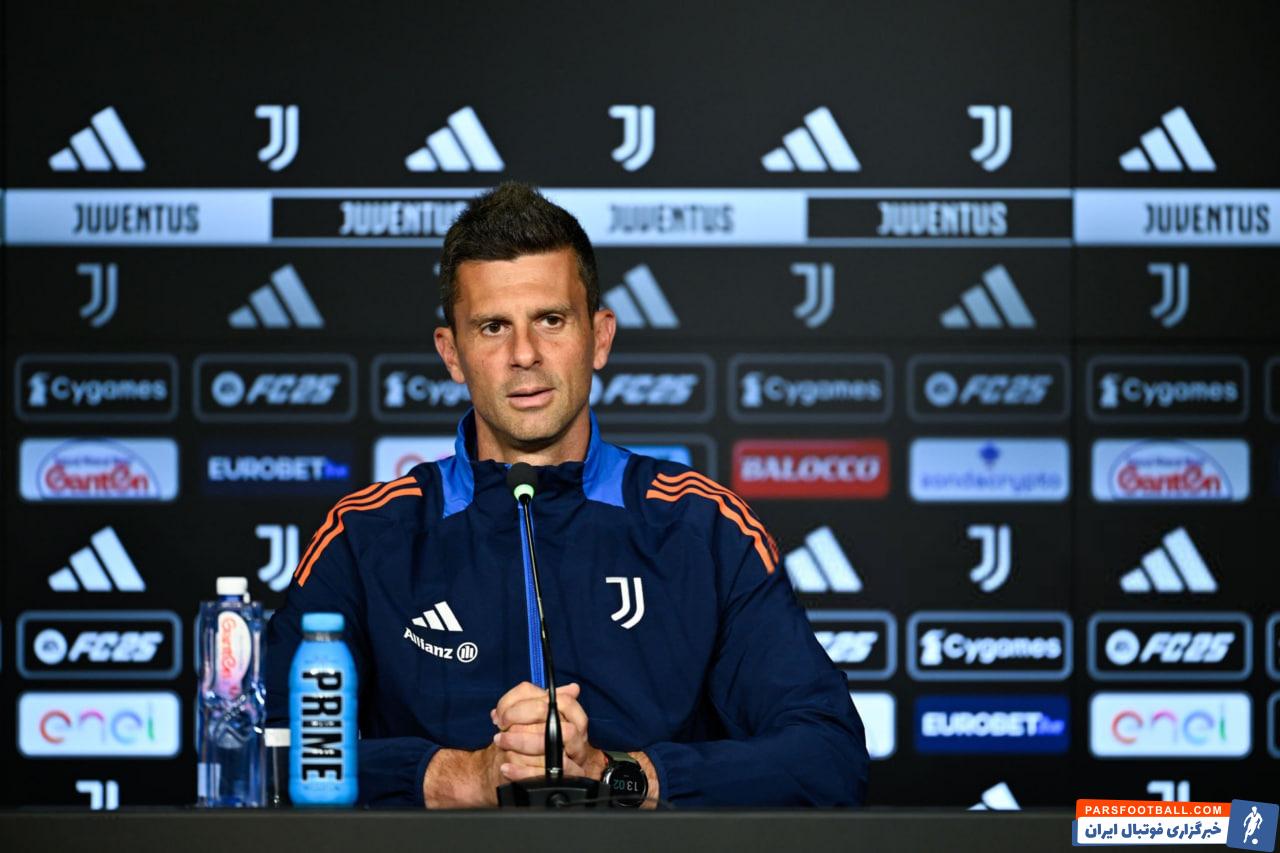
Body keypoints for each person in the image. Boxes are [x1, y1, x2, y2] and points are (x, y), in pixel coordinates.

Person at [265, 181, 869, 808]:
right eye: (493, 327)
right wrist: (462, 776)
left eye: (550, 320)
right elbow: (266, 751)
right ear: (452, 354)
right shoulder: (366, 536)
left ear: (599, 337)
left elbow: (829, 757)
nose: (524, 354)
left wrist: (614, 776)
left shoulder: (703, 527)